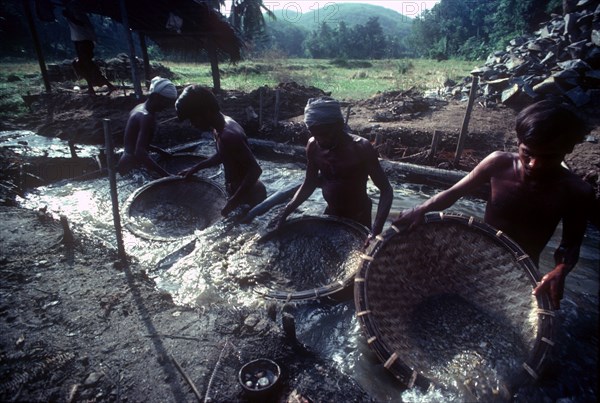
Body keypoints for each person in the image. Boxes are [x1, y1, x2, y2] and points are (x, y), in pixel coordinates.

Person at [392, 100, 595, 309]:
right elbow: (454, 193)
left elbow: (570, 245)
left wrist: (561, 269)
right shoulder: (499, 163)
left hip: (521, 272)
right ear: (518, 142)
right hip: (478, 259)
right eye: (528, 153)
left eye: (549, 157)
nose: (534, 164)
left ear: (567, 149)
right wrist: (421, 209)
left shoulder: (576, 190)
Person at [275, 97, 393, 241]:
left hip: (359, 215)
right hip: (331, 212)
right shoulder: (313, 146)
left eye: (324, 134)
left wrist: (376, 229)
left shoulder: (361, 148)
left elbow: (386, 190)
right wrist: (286, 211)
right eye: (314, 133)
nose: (319, 139)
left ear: (338, 126)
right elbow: (309, 183)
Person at [175, 85, 267, 217]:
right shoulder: (218, 127)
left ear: (206, 112)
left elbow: (255, 170)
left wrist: (233, 202)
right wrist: (196, 168)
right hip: (239, 191)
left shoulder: (229, 135)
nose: (192, 124)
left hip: (250, 196)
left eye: (193, 118)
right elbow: (224, 155)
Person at [116, 77, 177, 177]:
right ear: (155, 97)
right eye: (166, 103)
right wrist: (167, 175)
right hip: (131, 167)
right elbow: (140, 152)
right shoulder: (146, 117)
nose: (166, 107)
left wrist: (159, 151)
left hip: (126, 162)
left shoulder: (139, 107)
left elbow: (136, 143)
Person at [63, 1, 115, 95]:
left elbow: (80, 23)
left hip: (84, 41)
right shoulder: (73, 11)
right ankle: (93, 87)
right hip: (79, 41)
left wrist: (68, 16)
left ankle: (107, 85)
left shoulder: (77, 11)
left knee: (88, 65)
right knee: (82, 65)